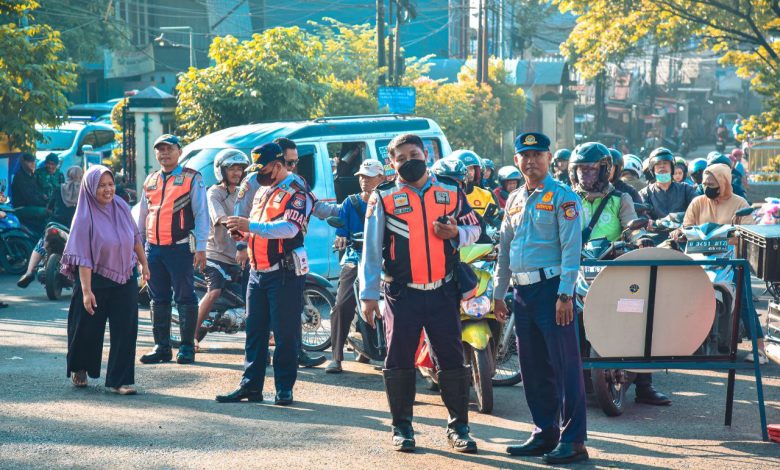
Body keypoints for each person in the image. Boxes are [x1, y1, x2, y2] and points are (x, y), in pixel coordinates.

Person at [359, 133, 481, 453]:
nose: (409, 161)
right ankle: (402, 427)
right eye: (401, 157)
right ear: (392, 162)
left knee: (452, 360)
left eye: (414, 153)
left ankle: (460, 428)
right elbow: (371, 249)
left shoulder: (451, 190)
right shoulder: (382, 196)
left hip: (443, 291)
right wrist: (368, 295)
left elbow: (476, 229)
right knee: (399, 361)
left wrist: (458, 232)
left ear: (425, 153)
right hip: (402, 295)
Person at [493, 132, 588, 465]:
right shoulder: (515, 199)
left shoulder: (563, 197)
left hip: (552, 291)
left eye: (537, 154)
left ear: (549, 158)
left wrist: (565, 293)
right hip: (521, 293)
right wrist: (498, 290)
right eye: (524, 155)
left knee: (565, 367)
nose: (530, 160)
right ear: (516, 160)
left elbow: (571, 250)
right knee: (532, 367)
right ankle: (544, 432)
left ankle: (573, 439)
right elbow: (505, 249)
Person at [571, 143, 670, 407]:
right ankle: (572, 378)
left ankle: (645, 385)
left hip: (614, 267)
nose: (585, 175)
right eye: (580, 169)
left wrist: (641, 239)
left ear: (605, 171)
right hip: (577, 268)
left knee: (640, 315)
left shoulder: (620, 199)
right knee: (566, 317)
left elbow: (632, 225)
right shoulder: (568, 198)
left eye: (591, 169)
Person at [216, 142, 314, 406]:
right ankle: (251, 387)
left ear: (278, 165)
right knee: (255, 332)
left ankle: (284, 388)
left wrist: (251, 225)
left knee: (285, 334)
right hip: (257, 271)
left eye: (263, 168)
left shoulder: (297, 190)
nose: (258, 174)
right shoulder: (262, 191)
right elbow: (260, 228)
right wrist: (242, 232)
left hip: (284, 273)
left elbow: (288, 229)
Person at [233, 137, 336, 368]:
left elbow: (308, 213)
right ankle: (251, 380)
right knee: (256, 327)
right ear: (278, 162)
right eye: (289, 162)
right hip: (257, 264)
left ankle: (287, 378)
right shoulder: (256, 185)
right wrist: (241, 240)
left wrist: (343, 211)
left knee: (286, 326)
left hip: (284, 267)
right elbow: (244, 215)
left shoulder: (296, 186)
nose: (293, 167)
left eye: (294, 162)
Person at [62, 165, 149, 395]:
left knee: (126, 328)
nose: (107, 190)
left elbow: (135, 237)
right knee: (87, 328)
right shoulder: (84, 215)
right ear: (91, 188)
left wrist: (144, 263)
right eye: (101, 185)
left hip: (125, 274)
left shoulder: (120, 205)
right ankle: (80, 367)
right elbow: (82, 256)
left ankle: (120, 380)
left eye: (110, 184)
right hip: (94, 277)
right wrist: (87, 290)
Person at [679, 163, 767, 364]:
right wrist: (682, 232)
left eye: (712, 184)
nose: (707, 187)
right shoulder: (698, 202)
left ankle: (759, 349)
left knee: (745, 303)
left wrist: (730, 236)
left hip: (731, 260)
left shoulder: (739, 203)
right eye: (704, 184)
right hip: (700, 259)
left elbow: (749, 232)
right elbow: (687, 226)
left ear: (724, 183)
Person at [137, 134, 209, 365]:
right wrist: (138, 250)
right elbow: (142, 217)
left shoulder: (191, 178)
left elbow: (201, 214)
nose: (164, 153)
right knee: (158, 299)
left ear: (180, 151)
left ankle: (187, 347)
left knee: (185, 297)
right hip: (153, 250)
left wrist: (201, 247)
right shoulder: (150, 180)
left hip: (179, 249)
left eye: (169, 149)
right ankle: (162, 347)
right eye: (160, 149)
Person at [325, 160, 387, 374]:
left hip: (385, 259)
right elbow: (341, 233)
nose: (364, 180)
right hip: (356, 257)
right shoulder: (350, 203)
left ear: (382, 178)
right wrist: (340, 239)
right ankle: (336, 357)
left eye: (369, 176)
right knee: (342, 304)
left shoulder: (388, 201)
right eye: (362, 176)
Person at [195, 149, 251, 351]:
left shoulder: (241, 193)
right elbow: (221, 219)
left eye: (240, 169)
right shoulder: (214, 193)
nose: (237, 173)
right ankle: (191, 337)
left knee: (255, 294)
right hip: (215, 254)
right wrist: (243, 230)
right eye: (232, 169)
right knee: (215, 290)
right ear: (222, 171)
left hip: (239, 256)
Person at [17, 166, 84, 288]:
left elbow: (49, 208)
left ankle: (29, 272)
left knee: (41, 244)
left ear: (67, 175)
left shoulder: (59, 189)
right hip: (75, 228)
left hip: (55, 224)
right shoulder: (84, 192)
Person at [639, 147, 697, 223]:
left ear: (672, 167)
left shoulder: (686, 189)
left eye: (665, 163)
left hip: (682, 232)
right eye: (658, 163)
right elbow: (642, 214)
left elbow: (697, 209)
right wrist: (648, 221)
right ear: (653, 169)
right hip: (654, 233)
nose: (662, 166)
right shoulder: (645, 193)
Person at [448, 149, 496, 217]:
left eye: (471, 168)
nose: (470, 172)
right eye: (466, 168)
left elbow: (495, 219)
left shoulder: (486, 195)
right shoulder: (449, 194)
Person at [11, 153, 48, 233]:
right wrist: (44, 203)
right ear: (23, 162)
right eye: (29, 162)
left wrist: (45, 199)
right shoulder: (20, 177)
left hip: (32, 205)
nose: (32, 164)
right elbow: (29, 198)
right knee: (47, 212)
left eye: (33, 162)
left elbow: (38, 192)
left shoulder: (32, 175)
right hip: (22, 208)